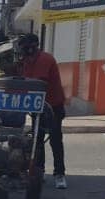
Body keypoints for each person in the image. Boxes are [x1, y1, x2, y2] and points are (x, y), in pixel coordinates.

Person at [17, 33, 68, 189]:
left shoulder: (44, 59)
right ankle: (39, 172)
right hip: (37, 106)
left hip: (53, 106)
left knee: (55, 140)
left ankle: (59, 174)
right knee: (37, 141)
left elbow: (38, 83)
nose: (23, 53)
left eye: (25, 49)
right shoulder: (26, 61)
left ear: (31, 48)